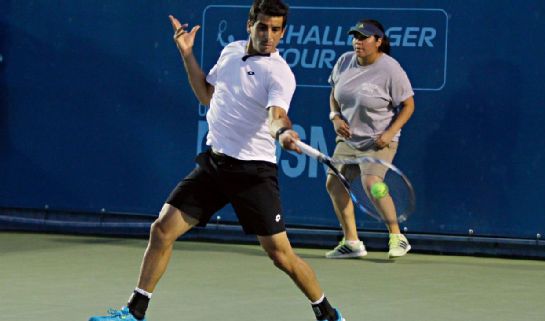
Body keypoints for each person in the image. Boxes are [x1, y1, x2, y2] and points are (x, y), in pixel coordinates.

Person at [88, 1, 346, 321]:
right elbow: (207, 95)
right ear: (249, 24)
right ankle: (135, 311)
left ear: (283, 32)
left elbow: (276, 116)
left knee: (281, 255)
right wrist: (187, 54)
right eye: (262, 27)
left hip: (253, 173)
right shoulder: (231, 52)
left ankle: (327, 313)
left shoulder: (279, 74)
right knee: (162, 229)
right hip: (214, 165)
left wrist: (283, 133)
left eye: (276, 29)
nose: (269, 35)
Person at [324, 19, 415, 259]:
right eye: (355, 37)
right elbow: (334, 93)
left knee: (372, 182)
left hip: (379, 139)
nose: (358, 42)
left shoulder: (391, 69)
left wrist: (389, 133)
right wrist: (335, 117)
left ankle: (397, 237)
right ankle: (352, 241)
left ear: (379, 41)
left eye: (364, 37)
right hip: (349, 138)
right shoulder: (345, 61)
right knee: (334, 183)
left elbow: (408, 105)